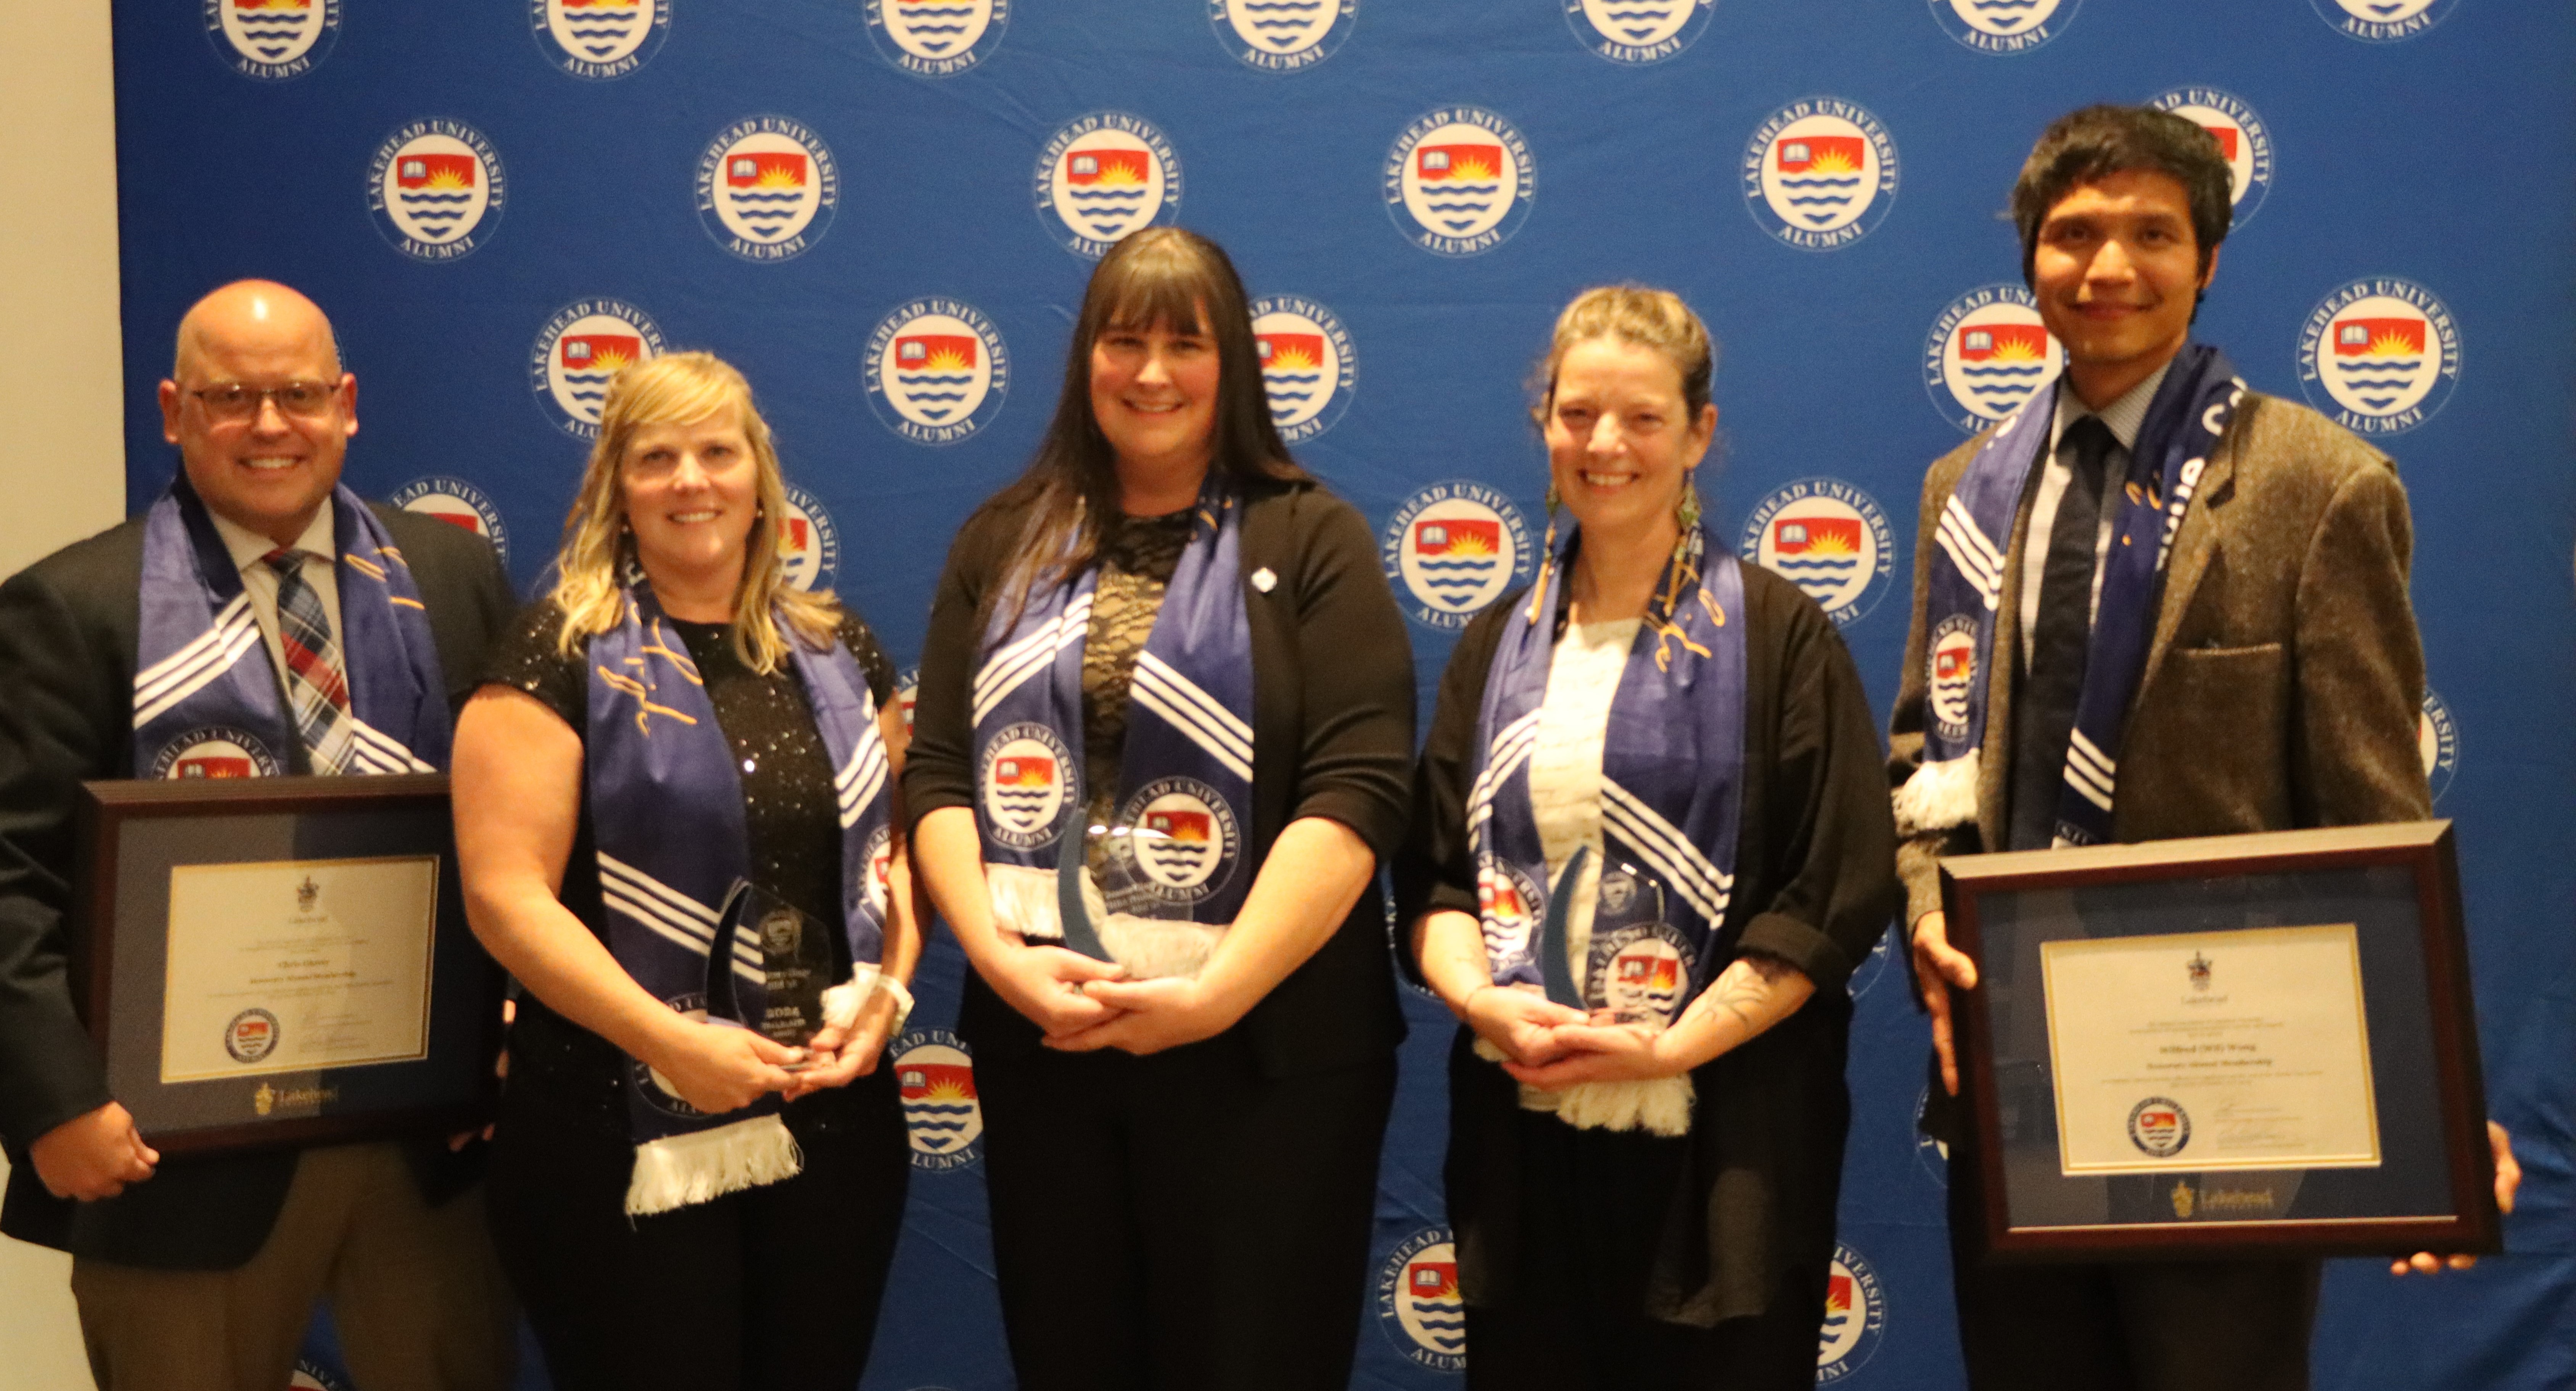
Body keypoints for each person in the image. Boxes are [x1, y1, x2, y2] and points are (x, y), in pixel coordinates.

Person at [1889, 105, 2520, 1391]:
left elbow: (2372, 815)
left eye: (2149, 234)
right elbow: (1922, 757)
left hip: (2229, 1079)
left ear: (2207, 260)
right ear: (2028, 260)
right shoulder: (1968, 488)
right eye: (2072, 235)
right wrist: (1921, 912)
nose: (2106, 266)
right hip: (2018, 1064)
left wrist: (2432, 1093)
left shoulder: (2316, 481)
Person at [903, 227, 1414, 1390]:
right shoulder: (1004, 542)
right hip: (1052, 1036)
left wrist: (1215, 995)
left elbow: (1359, 787)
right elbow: (937, 775)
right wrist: (994, 959)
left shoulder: (1311, 537)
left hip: (1267, 1058)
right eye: (1122, 341)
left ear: (1231, 363)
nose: (1151, 373)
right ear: (1084, 360)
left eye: (1184, 344)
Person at [0, 281, 518, 1389]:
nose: (269, 425)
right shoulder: (73, 606)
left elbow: (521, 839)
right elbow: (10, 881)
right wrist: (56, 1102)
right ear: (174, 410)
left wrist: (509, 1026)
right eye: (231, 396)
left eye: (295, 394)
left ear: (347, 403)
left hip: (423, 1142)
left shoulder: (455, 578)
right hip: (172, 1159)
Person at [1394, 286, 1898, 1389]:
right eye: (1577, 415)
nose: (1604, 445)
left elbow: (1833, 893)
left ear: (1699, 433)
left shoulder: (1779, 635)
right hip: (1522, 1126)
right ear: (1544, 425)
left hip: (1723, 1146)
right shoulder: (1494, 647)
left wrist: (1667, 1047)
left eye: (1641, 418)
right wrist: (1482, 1003)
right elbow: (1432, 886)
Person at [451, 351, 918, 1391]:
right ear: (616, 489)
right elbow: (504, 896)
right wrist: (669, 1044)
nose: (691, 481)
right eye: (655, 457)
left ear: (760, 481)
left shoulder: (842, 654)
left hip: (831, 1118)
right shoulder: (553, 656)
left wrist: (886, 994)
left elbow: (897, 859)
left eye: (716, 452)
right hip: (618, 1128)